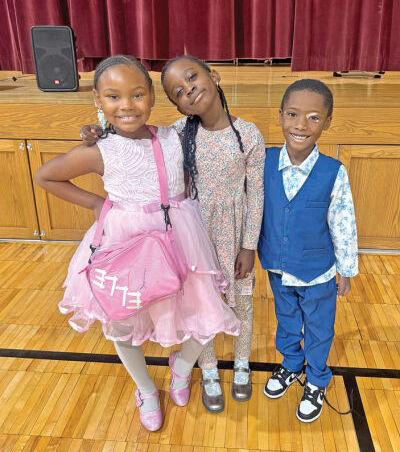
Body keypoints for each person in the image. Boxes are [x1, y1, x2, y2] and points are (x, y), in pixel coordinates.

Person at [34, 55, 240, 432]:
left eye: (137, 95)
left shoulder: (173, 136)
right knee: (124, 323)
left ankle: (181, 366)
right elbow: (46, 176)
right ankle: (145, 388)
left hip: (179, 237)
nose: (127, 105)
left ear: (152, 98)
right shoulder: (99, 150)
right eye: (113, 97)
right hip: (126, 243)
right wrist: (97, 203)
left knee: (204, 317)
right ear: (97, 99)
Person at [81, 55, 265, 413]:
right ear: (174, 103)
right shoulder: (179, 133)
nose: (189, 90)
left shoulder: (249, 135)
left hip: (234, 232)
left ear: (214, 75)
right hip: (191, 237)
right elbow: (131, 139)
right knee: (201, 305)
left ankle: (240, 364)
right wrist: (96, 129)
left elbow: (256, 192)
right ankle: (206, 368)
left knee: (239, 299)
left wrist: (249, 244)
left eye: (193, 78)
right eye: (178, 91)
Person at [258, 79, 358, 423]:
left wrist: (346, 269)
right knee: (286, 319)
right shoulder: (264, 160)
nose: (301, 125)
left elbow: (343, 222)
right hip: (277, 265)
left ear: (327, 123)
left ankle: (316, 379)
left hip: (318, 271)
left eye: (314, 118)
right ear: (280, 115)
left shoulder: (333, 171)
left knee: (318, 327)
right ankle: (289, 363)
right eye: (293, 114)